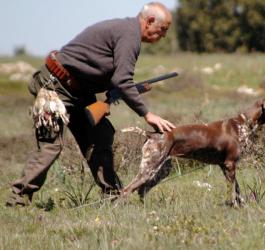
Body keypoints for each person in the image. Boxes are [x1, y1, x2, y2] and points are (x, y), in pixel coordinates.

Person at [6, 2, 175, 207]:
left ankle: (113, 197)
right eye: (163, 30)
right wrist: (147, 114)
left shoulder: (127, 31)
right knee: (51, 147)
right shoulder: (129, 35)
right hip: (55, 86)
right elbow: (122, 80)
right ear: (149, 21)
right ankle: (18, 198)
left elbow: (112, 78)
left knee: (100, 136)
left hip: (79, 92)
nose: (163, 36)